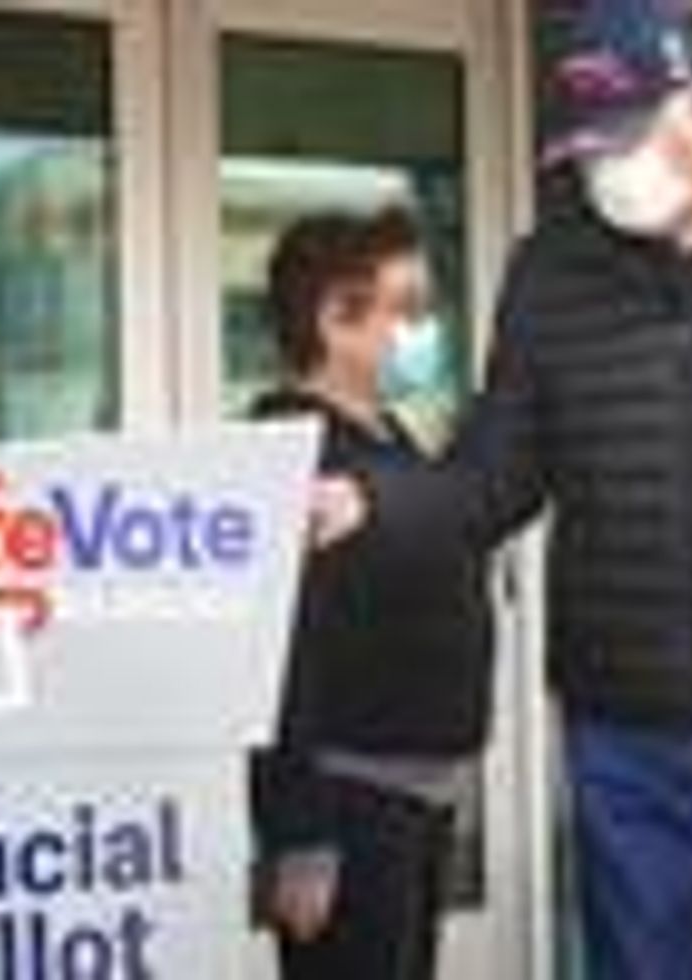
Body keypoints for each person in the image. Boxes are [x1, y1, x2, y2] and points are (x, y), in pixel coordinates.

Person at [309, 1, 692, 977]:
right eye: (581, 150)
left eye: (622, 139)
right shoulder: (550, 270)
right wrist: (372, 502)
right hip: (622, 707)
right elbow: (495, 473)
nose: (603, 171)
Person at [249, 208, 494, 980]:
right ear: (335, 319)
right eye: (407, 308)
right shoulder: (288, 452)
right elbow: (277, 659)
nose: (425, 330)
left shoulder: (389, 439)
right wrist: (300, 834)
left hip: (415, 802)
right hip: (349, 809)